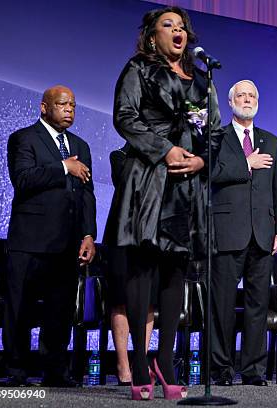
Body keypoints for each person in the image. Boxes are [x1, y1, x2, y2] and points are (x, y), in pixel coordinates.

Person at [104, 6, 222, 400]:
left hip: (189, 188)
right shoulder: (139, 69)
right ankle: (139, 363)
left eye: (182, 26)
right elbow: (125, 116)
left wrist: (203, 158)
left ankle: (166, 361)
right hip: (150, 181)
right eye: (167, 25)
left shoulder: (203, 80)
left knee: (176, 272)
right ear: (152, 36)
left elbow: (216, 133)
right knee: (144, 269)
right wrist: (164, 149)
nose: (178, 31)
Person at [5, 85, 96, 387]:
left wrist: (87, 234)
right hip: (29, 241)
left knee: (60, 309)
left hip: (66, 242)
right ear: (44, 107)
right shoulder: (24, 138)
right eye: (62, 104)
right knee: (20, 309)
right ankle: (16, 371)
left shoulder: (80, 145)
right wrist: (62, 167)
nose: (69, 109)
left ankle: (55, 371)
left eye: (72, 104)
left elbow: (87, 195)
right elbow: (23, 179)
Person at [210, 80, 277, 386]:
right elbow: (211, 174)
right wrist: (246, 163)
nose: (247, 99)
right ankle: (221, 370)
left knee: (258, 305)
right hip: (228, 230)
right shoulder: (216, 137)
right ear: (230, 102)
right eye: (241, 95)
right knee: (223, 305)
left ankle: (254, 370)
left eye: (252, 95)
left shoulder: (271, 141)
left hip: (263, 233)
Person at [106, 145, 155, 386]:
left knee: (148, 300)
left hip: (152, 235)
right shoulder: (120, 156)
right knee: (121, 298)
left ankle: (141, 362)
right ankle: (123, 363)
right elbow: (128, 183)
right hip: (121, 235)